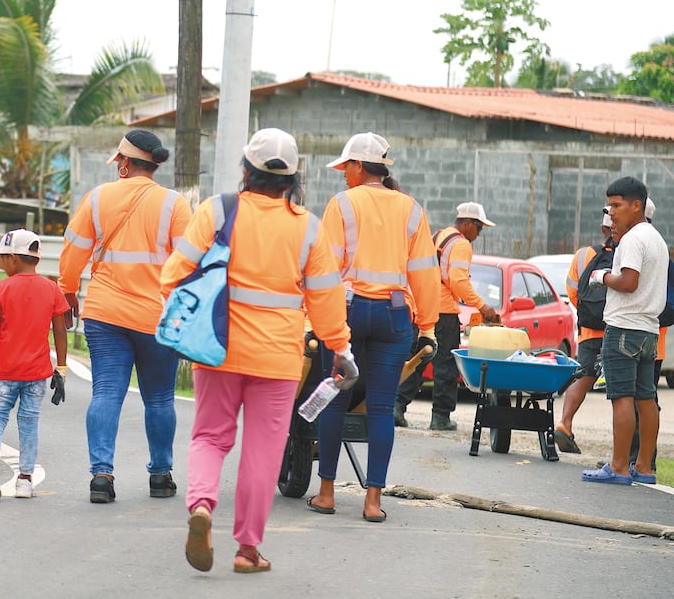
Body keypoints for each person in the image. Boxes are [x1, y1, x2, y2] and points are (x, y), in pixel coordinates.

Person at [161, 129, 354, 575]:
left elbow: (174, 275)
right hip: (278, 358)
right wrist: (340, 349)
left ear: (245, 170)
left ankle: (203, 508)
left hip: (217, 349)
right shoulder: (307, 227)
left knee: (210, 435)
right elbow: (326, 300)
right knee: (263, 452)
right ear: (292, 179)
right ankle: (248, 549)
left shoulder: (216, 210)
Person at [58, 129, 191, 503]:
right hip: (156, 316)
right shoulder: (174, 204)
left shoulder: (98, 198)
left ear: (126, 163)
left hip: (106, 312)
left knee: (106, 393)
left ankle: (102, 476)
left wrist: (68, 291)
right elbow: (188, 265)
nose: (117, 165)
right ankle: (161, 476)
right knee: (161, 398)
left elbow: (73, 252)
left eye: (119, 160)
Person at [314, 132, 441, 520]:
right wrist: (429, 325)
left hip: (348, 314)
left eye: (345, 167)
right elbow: (425, 271)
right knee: (383, 409)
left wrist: (314, 319)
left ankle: (327, 494)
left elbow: (325, 269)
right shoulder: (412, 209)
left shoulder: (341, 205)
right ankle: (372, 502)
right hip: (394, 313)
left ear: (357, 166)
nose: (342, 175)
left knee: (334, 400)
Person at [581, 177, 665, 485]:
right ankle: (643, 467)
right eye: (610, 206)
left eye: (617, 205)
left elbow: (628, 282)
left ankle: (617, 466)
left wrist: (602, 276)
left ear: (636, 205)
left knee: (622, 398)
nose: (611, 212)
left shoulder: (631, 239)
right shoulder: (656, 238)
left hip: (623, 328)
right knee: (646, 398)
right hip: (648, 330)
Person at [0, 229, 69, 500]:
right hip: (37, 373)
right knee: (29, 422)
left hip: (5, 371)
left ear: (14, 259)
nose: (3, 265)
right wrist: (61, 368)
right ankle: (25, 481)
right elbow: (61, 331)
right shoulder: (51, 289)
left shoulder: (2, 289)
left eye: (4, 259)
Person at [396, 202, 500, 431]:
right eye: (479, 228)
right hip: (443, 311)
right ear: (467, 224)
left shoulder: (439, 236)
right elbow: (458, 281)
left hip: (423, 307)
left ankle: (397, 406)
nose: (478, 234)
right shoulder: (461, 244)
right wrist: (483, 307)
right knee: (446, 365)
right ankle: (440, 417)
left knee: (416, 360)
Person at [554, 210, 616, 454]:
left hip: (590, 330)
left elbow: (572, 291)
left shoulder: (583, 255)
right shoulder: (628, 252)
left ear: (602, 229)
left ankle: (565, 423)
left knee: (585, 376)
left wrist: (591, 313)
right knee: (621, 388)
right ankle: (622, 451)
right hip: (617, 329)